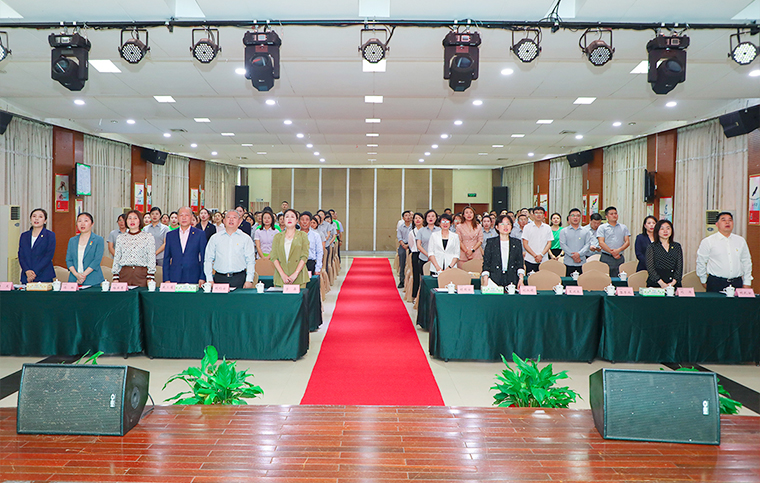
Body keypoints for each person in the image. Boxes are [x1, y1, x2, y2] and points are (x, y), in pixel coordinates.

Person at [696, 211, 753, 292]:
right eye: (723, 220)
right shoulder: (708, 241)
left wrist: (747, 282)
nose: (727, 222)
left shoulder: (740, 241)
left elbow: (746, 262)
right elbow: (701, 262)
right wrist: (703, 280)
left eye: (730, 220)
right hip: (716, 282)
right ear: (717, 224)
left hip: (736, 282)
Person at [204, 210, 256, 289]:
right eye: (228, 217)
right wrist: (209, 279)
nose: (231, 220)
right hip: (220, 278)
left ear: (239, 222)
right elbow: (208, 259)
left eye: (234, 218)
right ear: (224, 221)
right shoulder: (215, 238)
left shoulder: (246, 238)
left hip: (239, 278)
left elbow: (250, 261)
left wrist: (249, 280)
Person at [112, 210, 156, 287]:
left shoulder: (148, 237)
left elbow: (151, 257)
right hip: (124, 274)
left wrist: (150, 277)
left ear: (140, 221)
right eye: (129, 218)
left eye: (135, 218)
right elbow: (117, 257)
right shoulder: (120, 238)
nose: (132, 220)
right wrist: (115, 276)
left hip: (141, 275)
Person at [163, 207, 207, 285]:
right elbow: (166, 258)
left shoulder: (200, 234)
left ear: (192, 217)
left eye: (186, 215)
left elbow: (204, 257)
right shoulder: (170, 235)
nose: (184, 218)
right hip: (174, 277)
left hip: (193, 276)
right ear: (177, 217)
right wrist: (166, 278)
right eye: (181, 215)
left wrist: (202, 277)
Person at [481, 215, 525, 288]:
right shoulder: (491, 242)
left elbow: (520, 263)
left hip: (512, 280)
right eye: (502, 224)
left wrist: (521, 279)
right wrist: (485, 280)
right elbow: (486, 263)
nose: (505, 226)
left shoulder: (516, 242)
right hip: (494, 280)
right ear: (497, 227)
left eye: (508, 224)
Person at [269, 209, 310, 288]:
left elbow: (304, 256)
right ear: (283, 220)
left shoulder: (303, 235)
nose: (289, 219)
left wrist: (295, 274)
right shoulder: (277, 237)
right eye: (287, 217)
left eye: (292, 217)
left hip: (299, 277)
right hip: (281, 277)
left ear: (296, 220)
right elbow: (274, 257)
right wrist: (282, 275)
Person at [65, 212, 105, 286]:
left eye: (86, 221)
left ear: (92, 224)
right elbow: (68, 260)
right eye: (79, 221)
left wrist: (83, 275)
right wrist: (77, 275)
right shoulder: (72, 240)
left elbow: (96, 260)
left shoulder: (98, 240)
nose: (82, 224)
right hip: (74, 279)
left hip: (92, 279)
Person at [18, 208, 56, 284]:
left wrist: (34, 273)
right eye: (34, 216)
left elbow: (48, 256)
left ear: (45, 221)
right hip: (26, 276)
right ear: (30, 219)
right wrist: (27, 271)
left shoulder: (50, 235)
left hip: (44, 275)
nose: (36, 219)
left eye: (40, 217)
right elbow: (21, 255)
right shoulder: (24, 235)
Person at [645, 219, 683, 288]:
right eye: (662, 229)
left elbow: (679, 267)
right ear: (657, 231)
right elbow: (650, 268)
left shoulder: (677, 246)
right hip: (656, 284)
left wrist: (672, 283)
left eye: (668, 228)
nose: (665, 231)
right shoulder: (652, 247)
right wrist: (662, 284)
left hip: (674, 284)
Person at [597, 206, 631, 277]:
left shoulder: (623, 227)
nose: (614, 215)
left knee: (619, 278)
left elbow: (627, 242)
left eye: (615, 213)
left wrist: (618, 251)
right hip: (606, 256)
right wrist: (612, 252)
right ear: (606, 216)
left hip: (619, 257)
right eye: (611, 214)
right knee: (605, 278)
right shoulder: (602, 227)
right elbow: (601, 242)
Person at [560, 208, 593, 277]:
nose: (575, 217)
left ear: (580, 218)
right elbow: (563, 245)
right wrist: (573, 256)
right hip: (568, 262)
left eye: (577, 216)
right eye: (573, 215)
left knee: (582, 282)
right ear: (569, 217)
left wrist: (579, 254)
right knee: (568, 283)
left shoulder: (586, 231)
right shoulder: (564, 231)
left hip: (582, 262)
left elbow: (587, 245)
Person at [521, 206, 553, 273]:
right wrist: (535, 256)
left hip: (544, 260)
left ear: (544, 215)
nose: (538, 215)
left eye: (540, 213)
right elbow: (525, 244)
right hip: (530, 259)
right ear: (533, 215)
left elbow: (549, 243)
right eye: (536, 213)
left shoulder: (547, 228)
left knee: (544, 278)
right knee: (530, 278)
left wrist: (541, 255)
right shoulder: (527, 227)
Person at [416, 209, 440, 281]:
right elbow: (418, 245)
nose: (431, 218)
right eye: (428, 216)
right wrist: (428, 255)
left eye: (433, 216)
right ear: (425, 218)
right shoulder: (421, 230)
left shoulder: (440, 230)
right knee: (424, 279)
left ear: (436, 218)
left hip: (437, 258)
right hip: (424, 258)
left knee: (436, 279)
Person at [300, 211, 323, 276]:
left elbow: (319, 252)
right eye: (302, 220)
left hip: (310, 263)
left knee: (309, 281)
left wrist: (317, 269)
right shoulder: (294, 235)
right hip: (296, 263)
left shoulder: (315, 235)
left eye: (307, 220)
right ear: (298, 222)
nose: (304, 222)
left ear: (310, 222)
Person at [408, 212, 425, 299]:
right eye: (416, 218)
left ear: (423, 220)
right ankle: (415, 296)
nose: (418, 220)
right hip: (416, 254)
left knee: (425, 275)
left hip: (426, 254)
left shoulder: (426, 231)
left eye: (419, 218)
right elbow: (411, 245)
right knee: (416, 275)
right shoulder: (412, 232)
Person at [396, 210, 413, 288]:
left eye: (409, 215)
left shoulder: (413, 227)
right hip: (403, 245)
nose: (408, 217)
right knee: (402, 262)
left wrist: (409, 245)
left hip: (411, 245)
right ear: (403, 218)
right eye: (406, 215)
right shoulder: (400, 227)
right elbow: (399, 238)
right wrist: (403, 245)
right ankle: (402, 281)